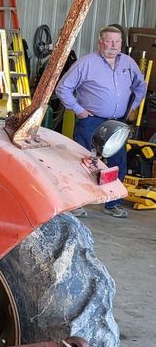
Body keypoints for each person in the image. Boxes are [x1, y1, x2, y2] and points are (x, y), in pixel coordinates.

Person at [56, 25, 147, 219]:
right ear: (100, 42)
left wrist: (133, 107)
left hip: (117, 123)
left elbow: (141, 85)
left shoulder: (128, 63)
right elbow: (63, 88)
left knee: (117, 163)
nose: (114, 45)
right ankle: (75, 203)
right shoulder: (87, 63)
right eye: (109, 41)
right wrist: (79, 110)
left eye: (117, 41)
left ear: (121, 43)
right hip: (91, 121)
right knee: (81, 162)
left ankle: (112, 204)